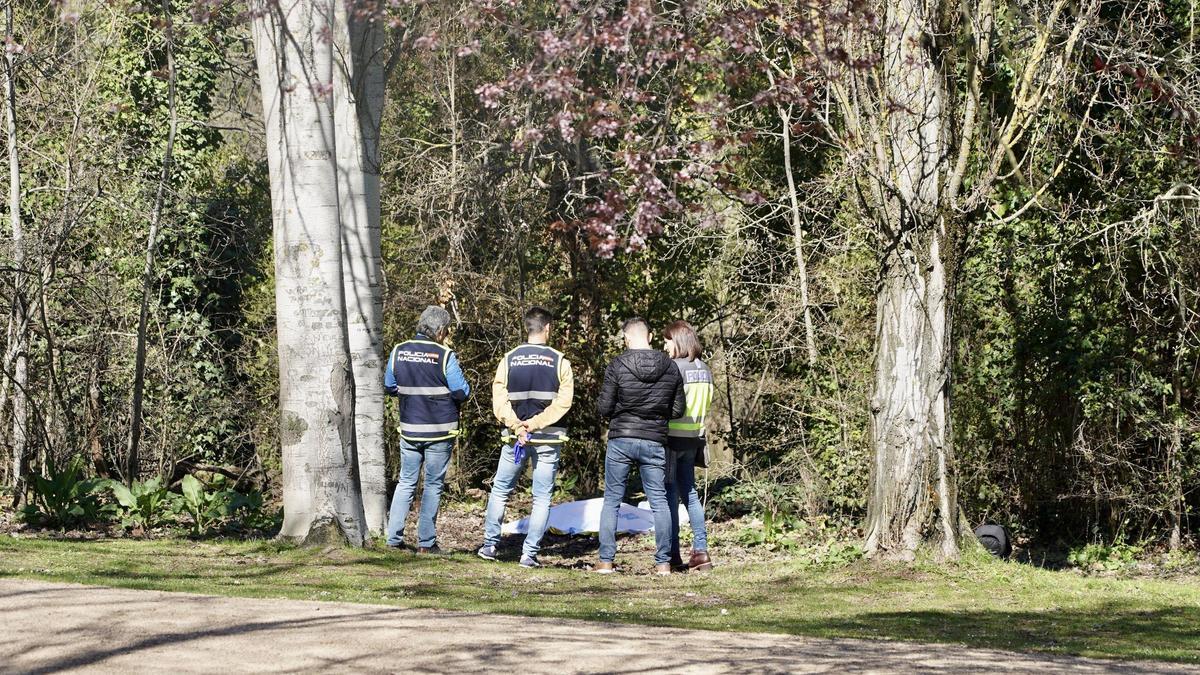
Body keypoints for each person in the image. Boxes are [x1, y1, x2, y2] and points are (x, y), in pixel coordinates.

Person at [477, 307, 574, 568]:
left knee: (500, 490)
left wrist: (518, 426)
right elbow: (564, 404)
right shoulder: (560, 361)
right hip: (548, 439)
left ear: (527, 328)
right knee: (541, 497)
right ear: (548, 328)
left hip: (514, 438)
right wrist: (535, 424)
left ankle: (489, 545)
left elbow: (499, 401)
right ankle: (529, 554)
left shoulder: (508, 359)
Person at [595, 317, 686, 575]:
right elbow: (678, 409)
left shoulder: (617, 364)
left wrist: (621, 412)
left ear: (626, 339)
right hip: (654, 439)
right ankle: (663, 563)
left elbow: (603, 407)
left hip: (621, 438)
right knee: (659, 500)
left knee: (612, 499)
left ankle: (605, 561)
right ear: (650, 336)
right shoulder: (670, 367)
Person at [383, 305, 470, 553]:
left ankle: (393, 540)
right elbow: (462, 392)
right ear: (440, 331)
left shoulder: (398, 351)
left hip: (409, 430)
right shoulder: (445, 356)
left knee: (406, 483)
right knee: (432, 485)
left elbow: (389, 386)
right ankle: (426, 543)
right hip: (440, 432)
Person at [663, 320, 715, 571]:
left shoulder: (674, 369)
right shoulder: (705, 369)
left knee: (670, 496)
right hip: (694, 439)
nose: (665, 347)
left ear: (678, 341)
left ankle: (673, 554)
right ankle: (701, 551)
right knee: (691, 495)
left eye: (667, 341)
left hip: (672, 439)